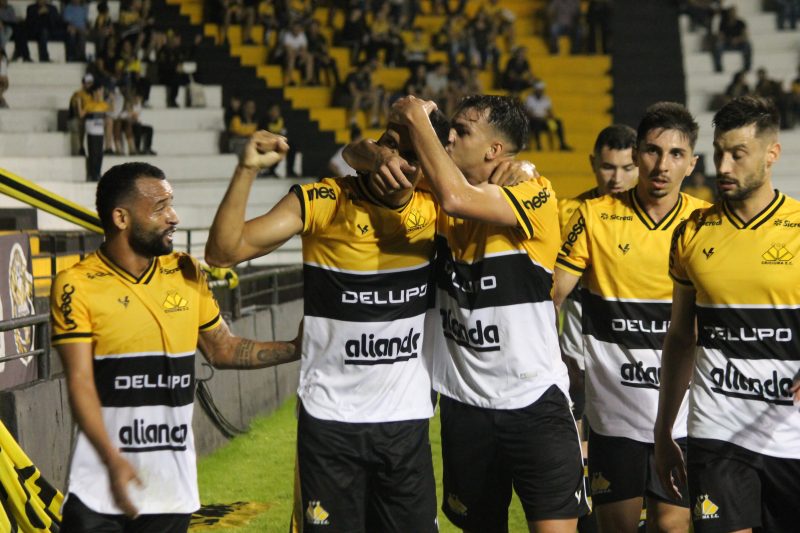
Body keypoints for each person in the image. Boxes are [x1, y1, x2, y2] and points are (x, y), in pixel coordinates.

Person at [345, 94, 589, 533]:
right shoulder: (435, 191)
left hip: (535, 404)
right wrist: (381, 153)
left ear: (494, 151)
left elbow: (458, 199)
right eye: (449, 127)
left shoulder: (533, 193)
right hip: (465, 407)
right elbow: (352, 153)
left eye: (463, 130)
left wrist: (415, 116)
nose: (450, 136)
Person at [205, 110, 452, 532]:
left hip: (405, 426)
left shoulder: (438, 207)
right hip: (330, 426)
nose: (393, 157)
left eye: (408, 153)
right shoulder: (324, 200)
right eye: (387, 142)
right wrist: (246, 169)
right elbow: (223, 253)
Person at [51, 161, 300, 532]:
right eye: (160, 208)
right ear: (121, 218)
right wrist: (114, 462)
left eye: (172, 204)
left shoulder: (186, 271)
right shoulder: (76, 285)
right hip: (100, 490)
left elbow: (222, 349)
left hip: (170, 490)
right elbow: (80, 383)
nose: (174, 217)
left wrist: (296, 348)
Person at [553, 102, 710, 533]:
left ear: (692, 163)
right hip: (614, 416)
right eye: (652, 151)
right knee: (615, 527)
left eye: (676, 154)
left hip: (681, 413)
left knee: (673, 526)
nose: (662, 165)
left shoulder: (704, 223)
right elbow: (553, 295)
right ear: (637, 153)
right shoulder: (594, 216)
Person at [655, 95, 799, 533]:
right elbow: (680, 338)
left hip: (789, 436)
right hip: (718, 430)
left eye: (738, 154)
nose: (724, 166)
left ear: (771, 153)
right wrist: (664, 433)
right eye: (720, 152)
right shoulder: (692, 233)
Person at [524, 81, 572, 151]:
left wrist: (549, 117)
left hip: (545, 121)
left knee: (558, 122)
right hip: (534, 120)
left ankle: (562, 144)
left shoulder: (546, 99)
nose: (540, 92)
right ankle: (538, 146)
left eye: (541, 90)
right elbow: (529, 113)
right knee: (535, 123)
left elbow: (549, 112)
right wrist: (538, 118)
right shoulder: (530, 99)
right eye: (538, 90)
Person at [80, 83, 110, 182]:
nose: (100, 94)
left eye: (101, 92)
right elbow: (81, 114)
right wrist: (78, 103)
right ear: (94, 93)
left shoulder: (103, 105)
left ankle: (97, 173)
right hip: (91, 132)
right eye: (98, 92)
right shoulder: (89, 104)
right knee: (93, 153)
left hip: (100, 132)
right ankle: (92, 174)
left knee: (99, 154)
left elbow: (110, 112)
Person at [712, 6, 752, 73]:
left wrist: (737, 39)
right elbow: (720, 36)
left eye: (734, 13)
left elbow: (745, 35)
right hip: (727, 43)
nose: (732, 14)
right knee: (718, 46)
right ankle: (718, 67)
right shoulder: (723, 23)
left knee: (747, 45)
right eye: (731, 13)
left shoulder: (740, 23)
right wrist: (729, 40)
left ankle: (747, 67)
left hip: (739, 43)